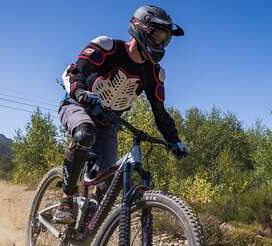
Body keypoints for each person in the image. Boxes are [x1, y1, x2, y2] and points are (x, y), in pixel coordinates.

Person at [54, 5, 189, 224]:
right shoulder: (107, 47)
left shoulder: (154, 73)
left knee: (108, 184)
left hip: (108, 124)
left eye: (165, 39)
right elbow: (72, 71)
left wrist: (174, 141)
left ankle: (85, 233)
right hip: (77, 106)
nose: (161, 43)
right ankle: (66, 200)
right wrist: (81, 92)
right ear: (141, 29)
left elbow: (159, 111)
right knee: (84, 133)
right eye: (157, 35)